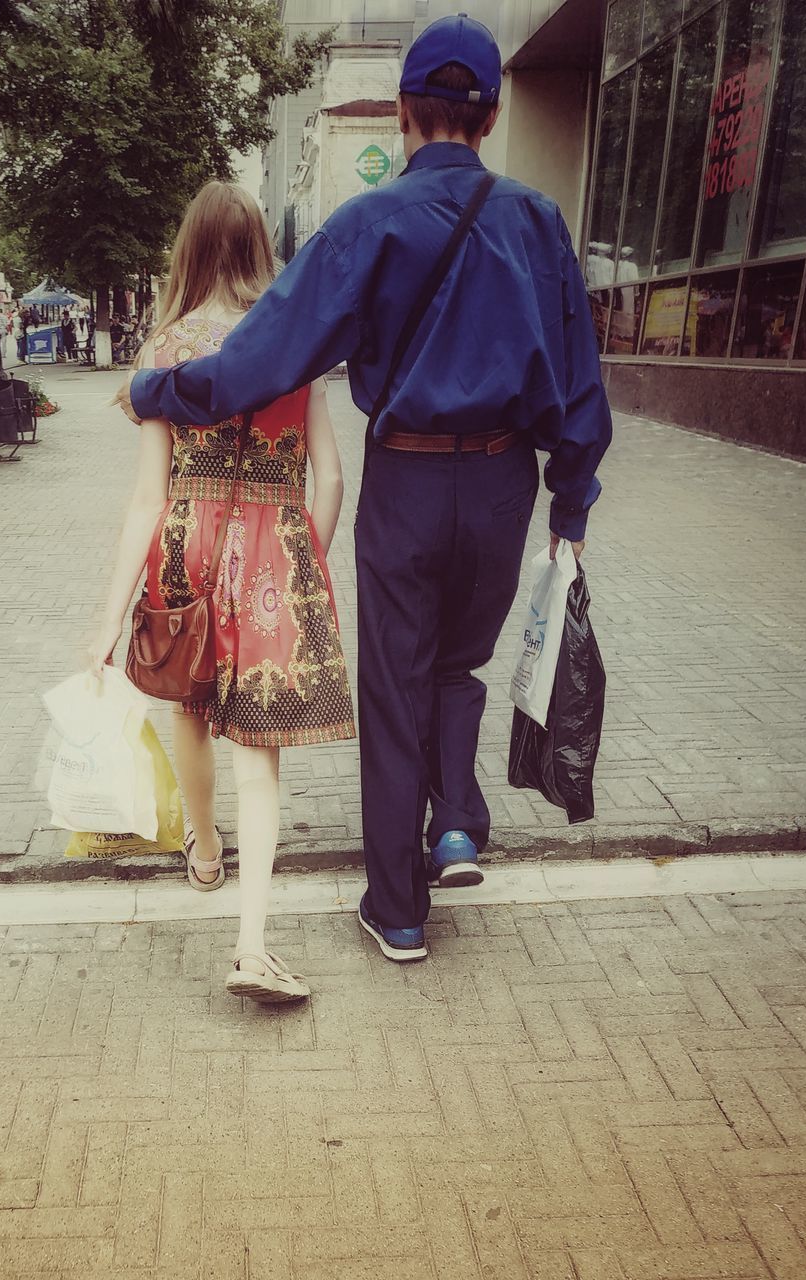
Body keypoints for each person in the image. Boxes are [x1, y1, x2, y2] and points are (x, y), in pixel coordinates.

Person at [118, 16, 612, 964]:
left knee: (393, 686)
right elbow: (581, 382)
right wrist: (571, 507)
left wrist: (156, 390)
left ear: (402, 111)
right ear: (494, 113)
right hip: (507, 481)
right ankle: (457, 822)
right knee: (457, 664)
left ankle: (399, 912)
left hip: (411, 480)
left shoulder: (366, 223)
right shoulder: (539, 222)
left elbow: (261, 358)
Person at [89, 181, 354, 1004]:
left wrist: (104, 619)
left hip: (186, 538)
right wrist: (303, 557)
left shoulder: (165, 347)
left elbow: (145, 496)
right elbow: (334, 477)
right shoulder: (295, 347)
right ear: (258, 254)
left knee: (188, 700)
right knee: (260, 754)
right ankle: (250, 946)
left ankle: (204, 852)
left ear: (190, 250)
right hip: (272, 542)